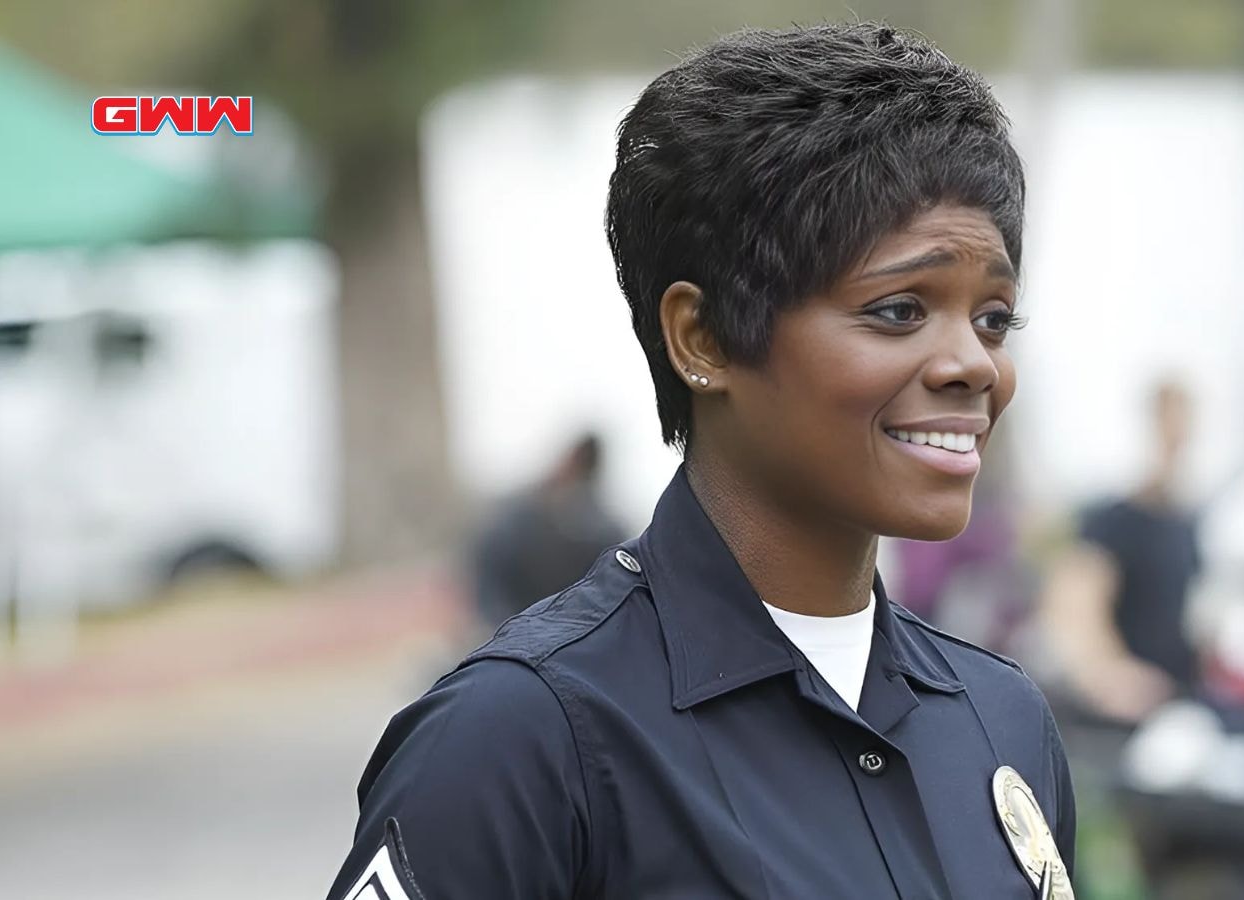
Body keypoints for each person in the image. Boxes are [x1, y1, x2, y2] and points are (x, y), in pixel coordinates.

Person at [327, 23, 1076, 900]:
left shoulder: (1002, 718)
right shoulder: (524, 738)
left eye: (993, 318)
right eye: (901, 309)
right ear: (704, 336)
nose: (974, 365)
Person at [1040, 380, 1201, 724]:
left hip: (1175, 704)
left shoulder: (1186, 526)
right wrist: (1110, 673)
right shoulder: (1113, 521)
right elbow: (1073, 604)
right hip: (1120, 714)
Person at [471, 432, 626, 630]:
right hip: (517, 629)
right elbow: (489, 576)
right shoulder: (517, 516)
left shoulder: (602, 531)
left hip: (557, 634)